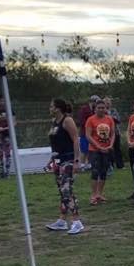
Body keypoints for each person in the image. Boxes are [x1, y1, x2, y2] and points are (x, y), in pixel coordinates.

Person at [45, 98, 84, 234]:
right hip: (57, 160)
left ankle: (77, 221)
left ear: (58, 108)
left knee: (67, 190)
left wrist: (77, 160)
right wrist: (51, 160)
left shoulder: (67, 121)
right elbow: (56, 144)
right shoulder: (54, 122)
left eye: (51, 106)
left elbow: (75, 139)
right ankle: (62, 221)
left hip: (68, 160)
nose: (50, 108)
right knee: (62, 191)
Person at [85, 98, 115, 205]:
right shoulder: (90, 120)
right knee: (95, 171)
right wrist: (98, 146)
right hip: (94, 150)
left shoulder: (109, 119)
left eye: (103, 108)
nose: (101, 110)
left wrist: (111, 145)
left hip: (106, 149)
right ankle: (93, 195)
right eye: (99, 108)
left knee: (103, 171)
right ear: (95, 109)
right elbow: (88, 135)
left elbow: (113, 133)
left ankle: (99, 194)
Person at [0, 95, 12, 178]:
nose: (2, 103)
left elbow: (14, 122)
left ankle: (7, 172)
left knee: (8, 153)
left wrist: (7, 127)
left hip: (8, 134)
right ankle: (1, 171)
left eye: (3, 101)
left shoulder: (10, 111)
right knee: (0, 153)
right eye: (0, 101)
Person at [77, 96, 97, 171]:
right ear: (92, 101)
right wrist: (90, 124)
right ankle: (82, 164)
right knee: (84, 149)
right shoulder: (84, 109)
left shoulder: (94, 110)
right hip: (84, 132)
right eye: (95, 102)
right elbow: (81, 121)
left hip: (92, 133)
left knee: (90, 149)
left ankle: (88, 164)